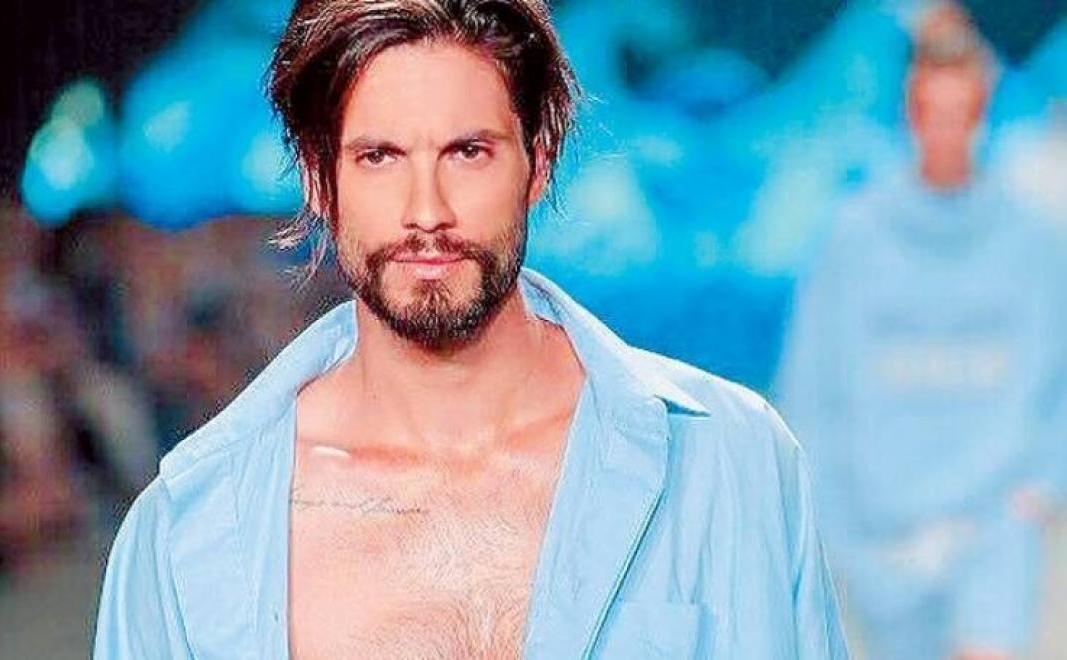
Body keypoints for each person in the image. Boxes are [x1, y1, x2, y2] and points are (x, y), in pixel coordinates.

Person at [94, 1, 848, 658]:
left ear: (538, 164)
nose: (427, 212)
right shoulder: (185, 534)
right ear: (321, 179)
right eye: (380, 157)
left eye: (468, 152)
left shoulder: (734, 464)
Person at [777, 4, 1065, 660]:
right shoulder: (853, 236)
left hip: (996, 522)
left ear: (983, 114)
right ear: (909, 113)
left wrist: (1041, 489)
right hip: (881, 533)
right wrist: (833, 524)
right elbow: (811, 385)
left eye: (961, 114)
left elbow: (1061, 378)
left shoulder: (1034, 241)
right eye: (933, 113)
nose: (947, 133)